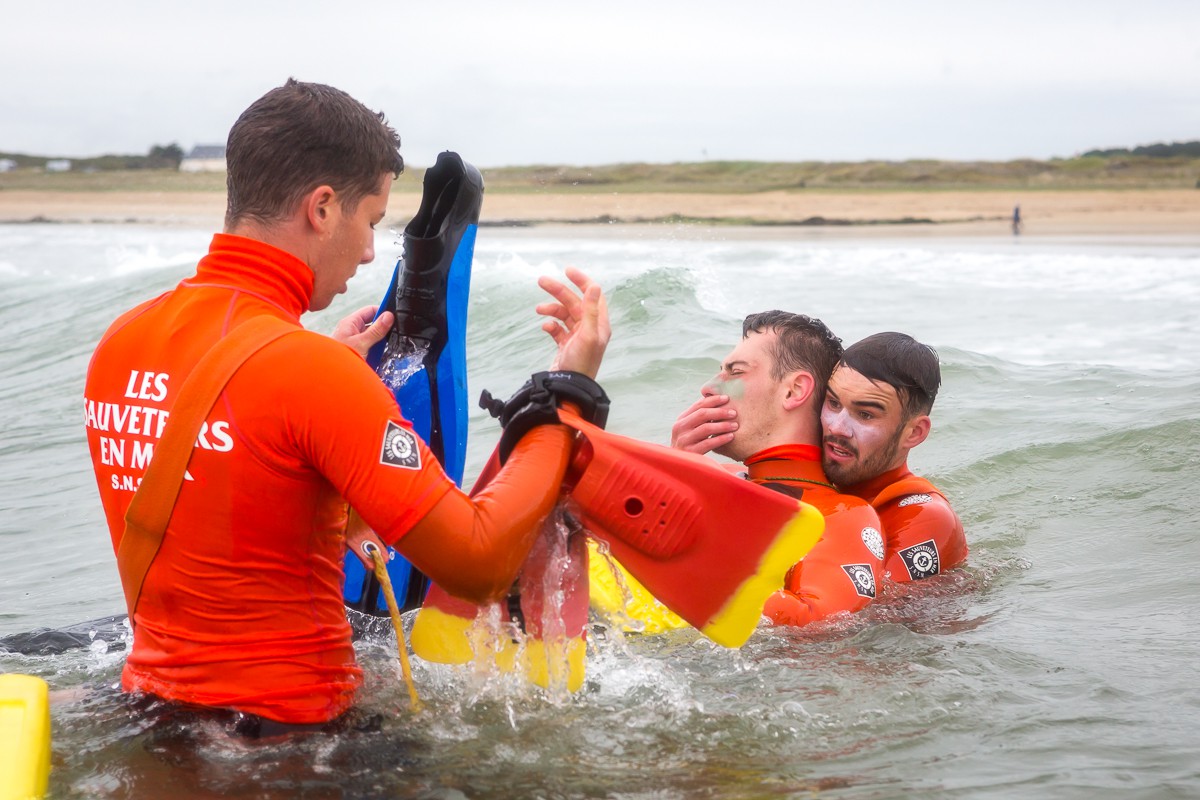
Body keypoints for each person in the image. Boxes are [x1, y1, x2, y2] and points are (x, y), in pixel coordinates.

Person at [83, 79, 610, 729]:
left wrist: (318, 380)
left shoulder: (122, 341)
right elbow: (477, 564)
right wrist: (562, 399)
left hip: (153, 715)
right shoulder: (310, 371)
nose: (367, 251)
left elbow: (226, 499)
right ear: (323, 208)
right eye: (371, 221)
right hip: (297, 745)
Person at [669, 311, 884, 627]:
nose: (708, 387)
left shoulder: (839, 516)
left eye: (735, 372)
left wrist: (687, 531)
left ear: (794, 390)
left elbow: (818, 627)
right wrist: (676, 478)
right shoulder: (712, 478)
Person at [820, 333, 968, 582]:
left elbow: (862, 614)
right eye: (833, 403)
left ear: (914, 433)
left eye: (865, 415)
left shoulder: (926, 519)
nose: (836, 427)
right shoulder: (811, 479)